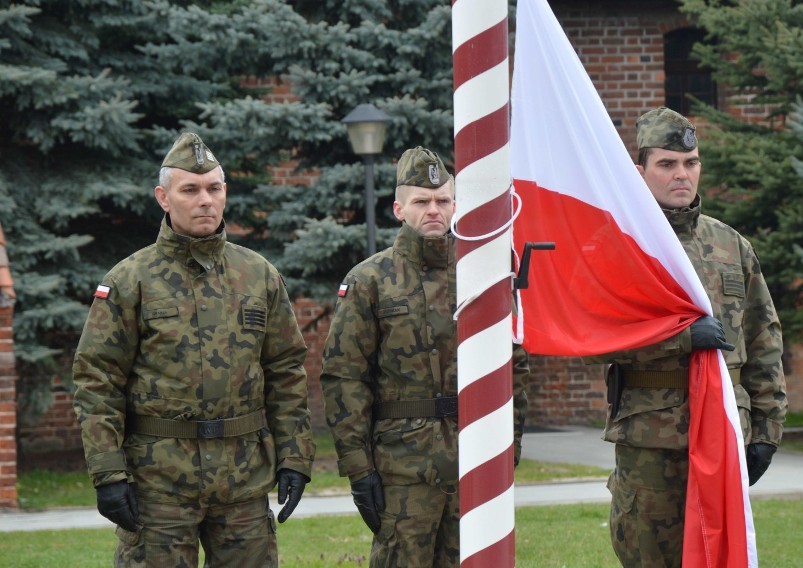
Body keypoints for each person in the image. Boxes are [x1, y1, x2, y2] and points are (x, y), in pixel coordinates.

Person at [72, 132, 314, 567]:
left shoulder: (258, 275)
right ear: (163, 198)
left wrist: (295, 456)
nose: (205, 200)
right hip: (158, 484)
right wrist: (108, 473)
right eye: (191, 190)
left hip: (243, 481)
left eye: (214, 188)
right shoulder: (131, 279)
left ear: (225, 194)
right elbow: (97, 379)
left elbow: (286, 371)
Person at [585, 107, 788, 567]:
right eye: (667, 164)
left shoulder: (730, 246)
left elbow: (764, 341)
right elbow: (591, 341)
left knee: (719, 555)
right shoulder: (619, 245)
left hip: (722, 429)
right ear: (640, 172)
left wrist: (767, 432)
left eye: (691, 162)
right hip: (650, 439)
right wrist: (677, 339)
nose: (682, 174)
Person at [320, 146, 530, 567]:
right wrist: (359, 468)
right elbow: (344, 377)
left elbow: (515, 364)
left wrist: (511, 442)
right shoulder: (370, 280)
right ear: (399, 208)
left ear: (455, 204)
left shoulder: (484, 275)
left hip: (472, 456)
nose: (433, 210)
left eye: (442, 200)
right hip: (402, 467)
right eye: (421, 201)